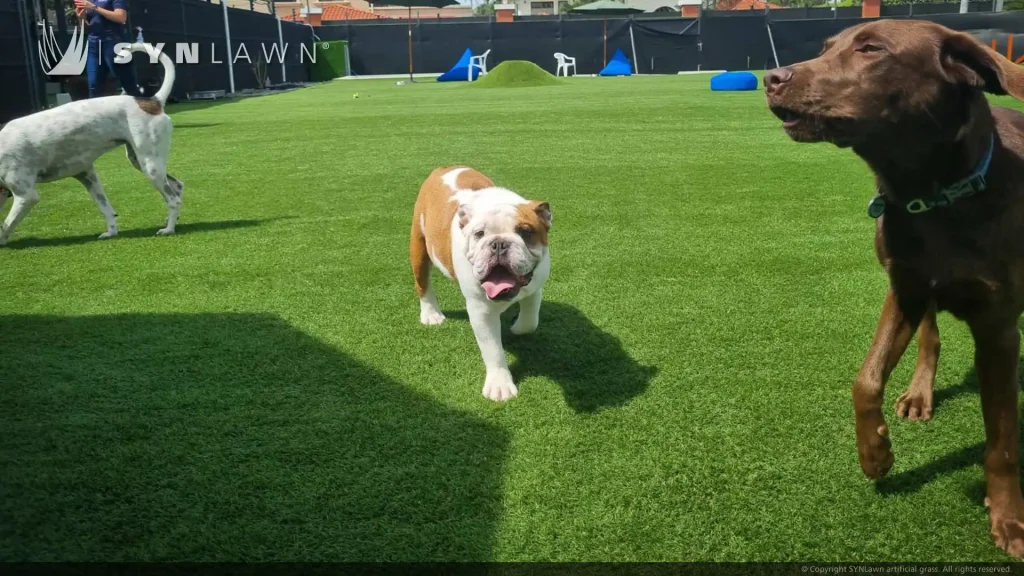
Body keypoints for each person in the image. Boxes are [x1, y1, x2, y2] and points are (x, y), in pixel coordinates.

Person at [74, 0, 140, 98]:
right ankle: (96, 113)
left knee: (127, 83)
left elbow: (121, 17)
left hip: (114, 42)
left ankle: (145, 109)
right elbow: (87, 29)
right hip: (94, 44)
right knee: (94, 85)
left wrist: (95, 7)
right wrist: (81, 18)